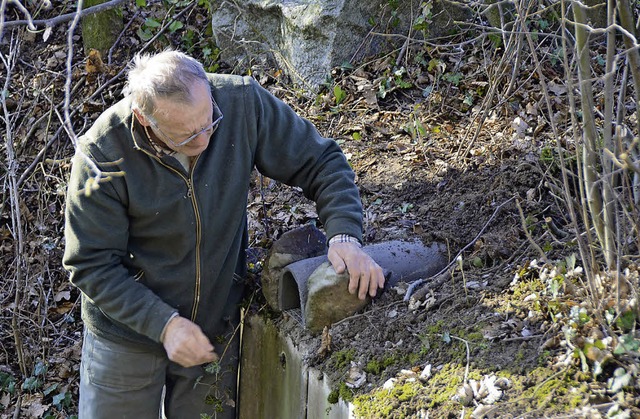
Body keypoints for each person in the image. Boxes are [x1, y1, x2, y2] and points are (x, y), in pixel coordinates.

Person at [62, 50, 385, 418]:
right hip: (126, 339)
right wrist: (163, 324)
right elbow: (91, 264)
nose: (204, 139)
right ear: (144, 118)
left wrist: (344, 235)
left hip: (213, 328)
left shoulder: (240, 102)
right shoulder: (102, 154)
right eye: (186, 134)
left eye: (209, 122)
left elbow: (321, 161)